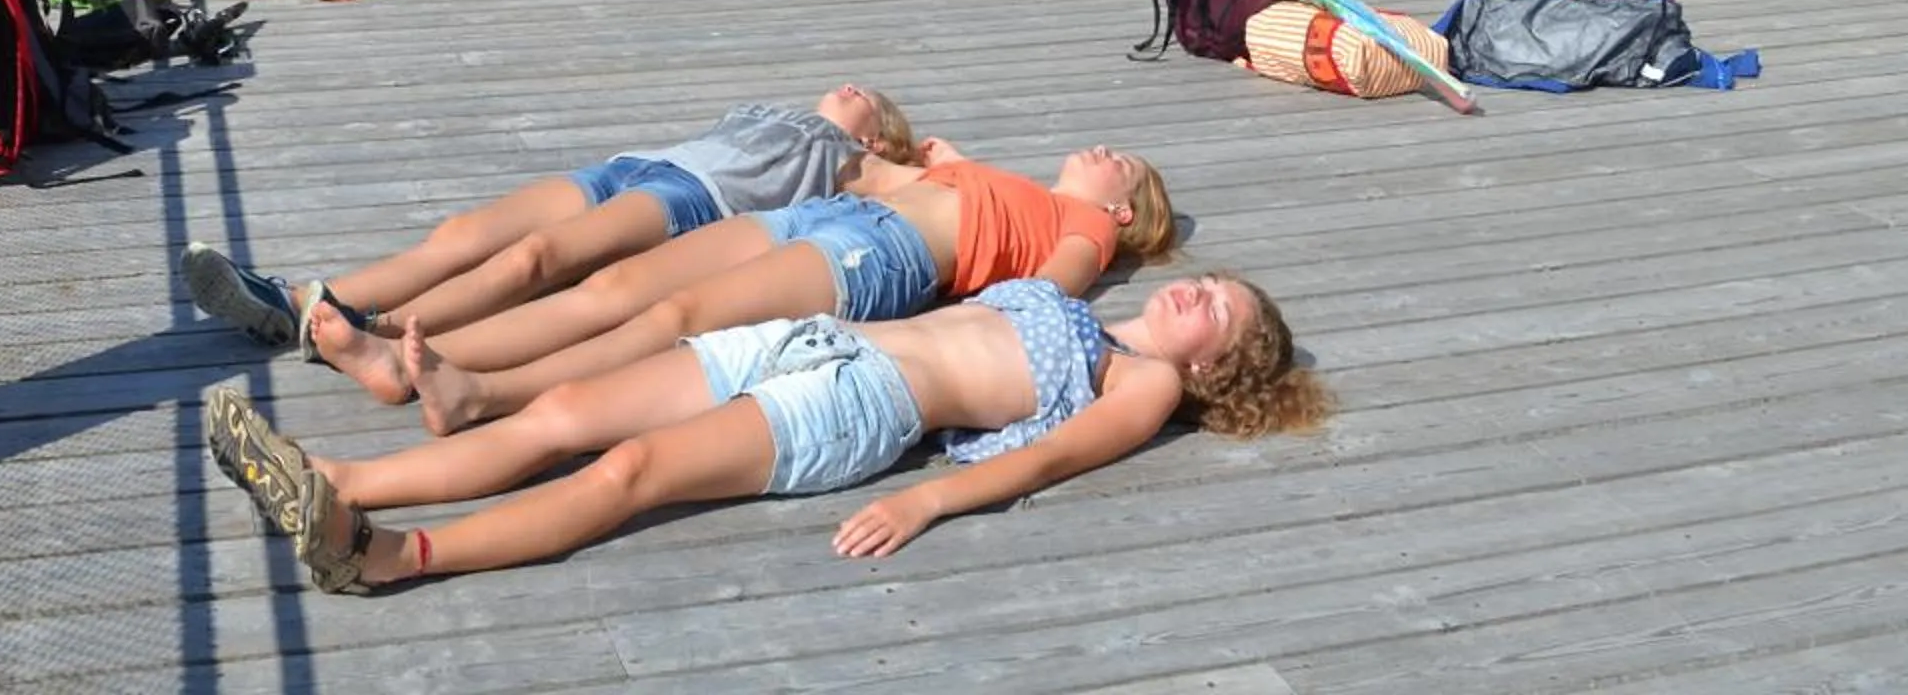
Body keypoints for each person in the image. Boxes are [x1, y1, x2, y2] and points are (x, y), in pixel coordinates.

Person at [200, 270, 1328, 592]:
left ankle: (389, 551)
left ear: (1216, 363)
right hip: (810, 337)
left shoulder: (1133, 383)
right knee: (562, 412)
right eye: (1209, 281)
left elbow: (1046, 455)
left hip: (866, 405)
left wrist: (925, 496)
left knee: (631, 468)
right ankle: (343, 472)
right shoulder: (1078, 301)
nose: (1201, 293)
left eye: (1222, 310)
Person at [310, 142, 1176, 433]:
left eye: (1123, 168)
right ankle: (405, 359)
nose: (1106, 154)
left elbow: (1047, 295)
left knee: (673, 317)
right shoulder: (1022, 189)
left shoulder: (1087, 226)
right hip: (842, 218)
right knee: (614, 286)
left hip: (884, 257)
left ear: (1125, 211)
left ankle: (477, 394)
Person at [179, 85, 919, 352]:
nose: (852, 84)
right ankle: (300, 300)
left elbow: (928, 188)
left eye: (871, 97)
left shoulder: (850, 162)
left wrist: (915, 155)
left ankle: (370, 334)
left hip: (693, 202)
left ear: (876, 137)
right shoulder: (786, 112)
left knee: (536, 258)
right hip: (637, 165)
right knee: (464, 235)